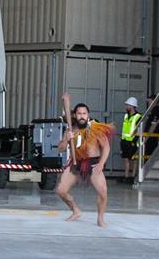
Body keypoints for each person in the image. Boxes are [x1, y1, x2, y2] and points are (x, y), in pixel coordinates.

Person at [56, 96, 113, 227]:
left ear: (88, 115)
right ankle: (75, 210)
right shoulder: (70, 130)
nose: (82, 116)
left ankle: (100, 218)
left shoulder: (95, 127)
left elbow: (106, 147)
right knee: (61, 190)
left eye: (84, 113)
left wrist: (101, 164)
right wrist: (66, 139)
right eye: (79, 113)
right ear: (75, 115)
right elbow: (60, 149)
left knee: (103, 192)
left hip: (93, 163)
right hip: (76, 163)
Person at [120, 96, 142, 180]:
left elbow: (139, 130)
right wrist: (122, 140)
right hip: (124, 141)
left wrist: (134, 140)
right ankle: (126, 176)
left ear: (132, 106)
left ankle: (133, 176)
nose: (126, 107)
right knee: (126, 159)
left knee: (133, 159)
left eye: (127, 105)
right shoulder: (126, 116)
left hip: (132, 142)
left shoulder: (138, 117)